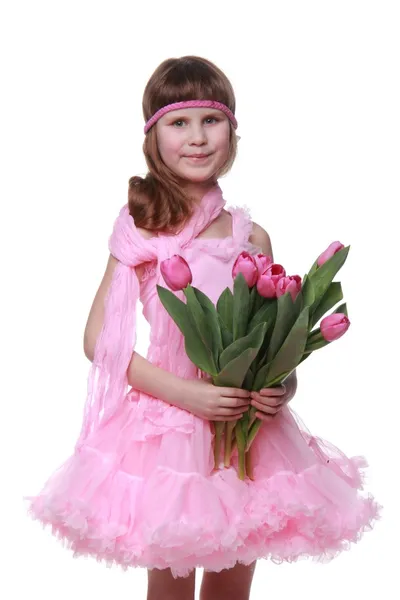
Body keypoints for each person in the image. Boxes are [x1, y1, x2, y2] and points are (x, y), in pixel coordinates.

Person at [24, 56, 381, 600]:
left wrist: (280, 388)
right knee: (169, 588)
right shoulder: (142, 230)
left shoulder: (250, 236)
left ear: (233, 133)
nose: (196, 138)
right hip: (167, 429)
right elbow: (99, 340)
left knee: (232, 583)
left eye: (210, 121)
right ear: (153, 137)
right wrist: (189, 394)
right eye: (179, 122)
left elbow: (270, 342)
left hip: (244, 431)